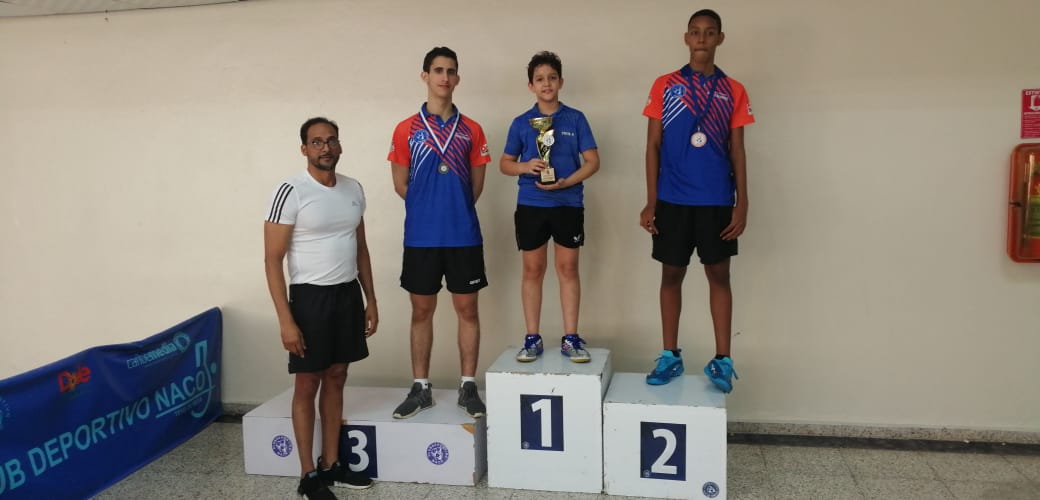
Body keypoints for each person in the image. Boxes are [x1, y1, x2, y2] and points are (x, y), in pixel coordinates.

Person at [639, 9, 754, 392]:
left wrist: (742, 202)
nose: (702, 38)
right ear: (686, 38)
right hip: (672, 198)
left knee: (718, 275)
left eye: (710, 33)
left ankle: (722, 360)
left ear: (721, 38)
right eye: (695, 32)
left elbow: (737, 150)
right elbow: (652, 146)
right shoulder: (665, 85)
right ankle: (670, 355)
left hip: (717, 198)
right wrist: (651, 200)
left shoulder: (733, 90)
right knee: (671, 274)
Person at [264, 117, 378, 499]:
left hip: (346, 296)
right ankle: (308, 474)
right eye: (316, 142)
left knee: (337, 375)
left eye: (331, 141)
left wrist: (371, 299)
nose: (325, 148)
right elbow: (272, 259)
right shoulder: (291, 191)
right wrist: (286, 320)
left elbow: (360, 247)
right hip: (309, 299)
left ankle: (332, 464)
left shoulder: (353, 188)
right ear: (304, 149)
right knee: (308, 381)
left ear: (340, 145)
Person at [388, 47, 490, 419]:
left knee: (468, 309)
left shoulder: (472, 130)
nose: (444, 77)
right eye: (437, 71)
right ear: (425, 77)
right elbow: (401, 184)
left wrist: (451, 207)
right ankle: (421, 388)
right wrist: (429, 207)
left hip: (463, 234)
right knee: (421, 311)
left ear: (457, 79)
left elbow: (475, 187)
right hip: (421, 236)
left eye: (450, 71)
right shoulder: (406, 129)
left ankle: (467, 385)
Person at [499, 51, 600, 363]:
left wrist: (566, 182)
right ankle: (532, 337)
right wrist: (526, 166)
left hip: (568, 203)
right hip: (532, 204)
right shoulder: (520, 123)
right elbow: (505, 164)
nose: (546, 83)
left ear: (561, 82)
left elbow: (593, 162)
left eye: (552, 78)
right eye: (540, 79)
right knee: (533, 269)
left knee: (568, 269)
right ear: (531, 85)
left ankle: (571, 337)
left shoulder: (576, 119)